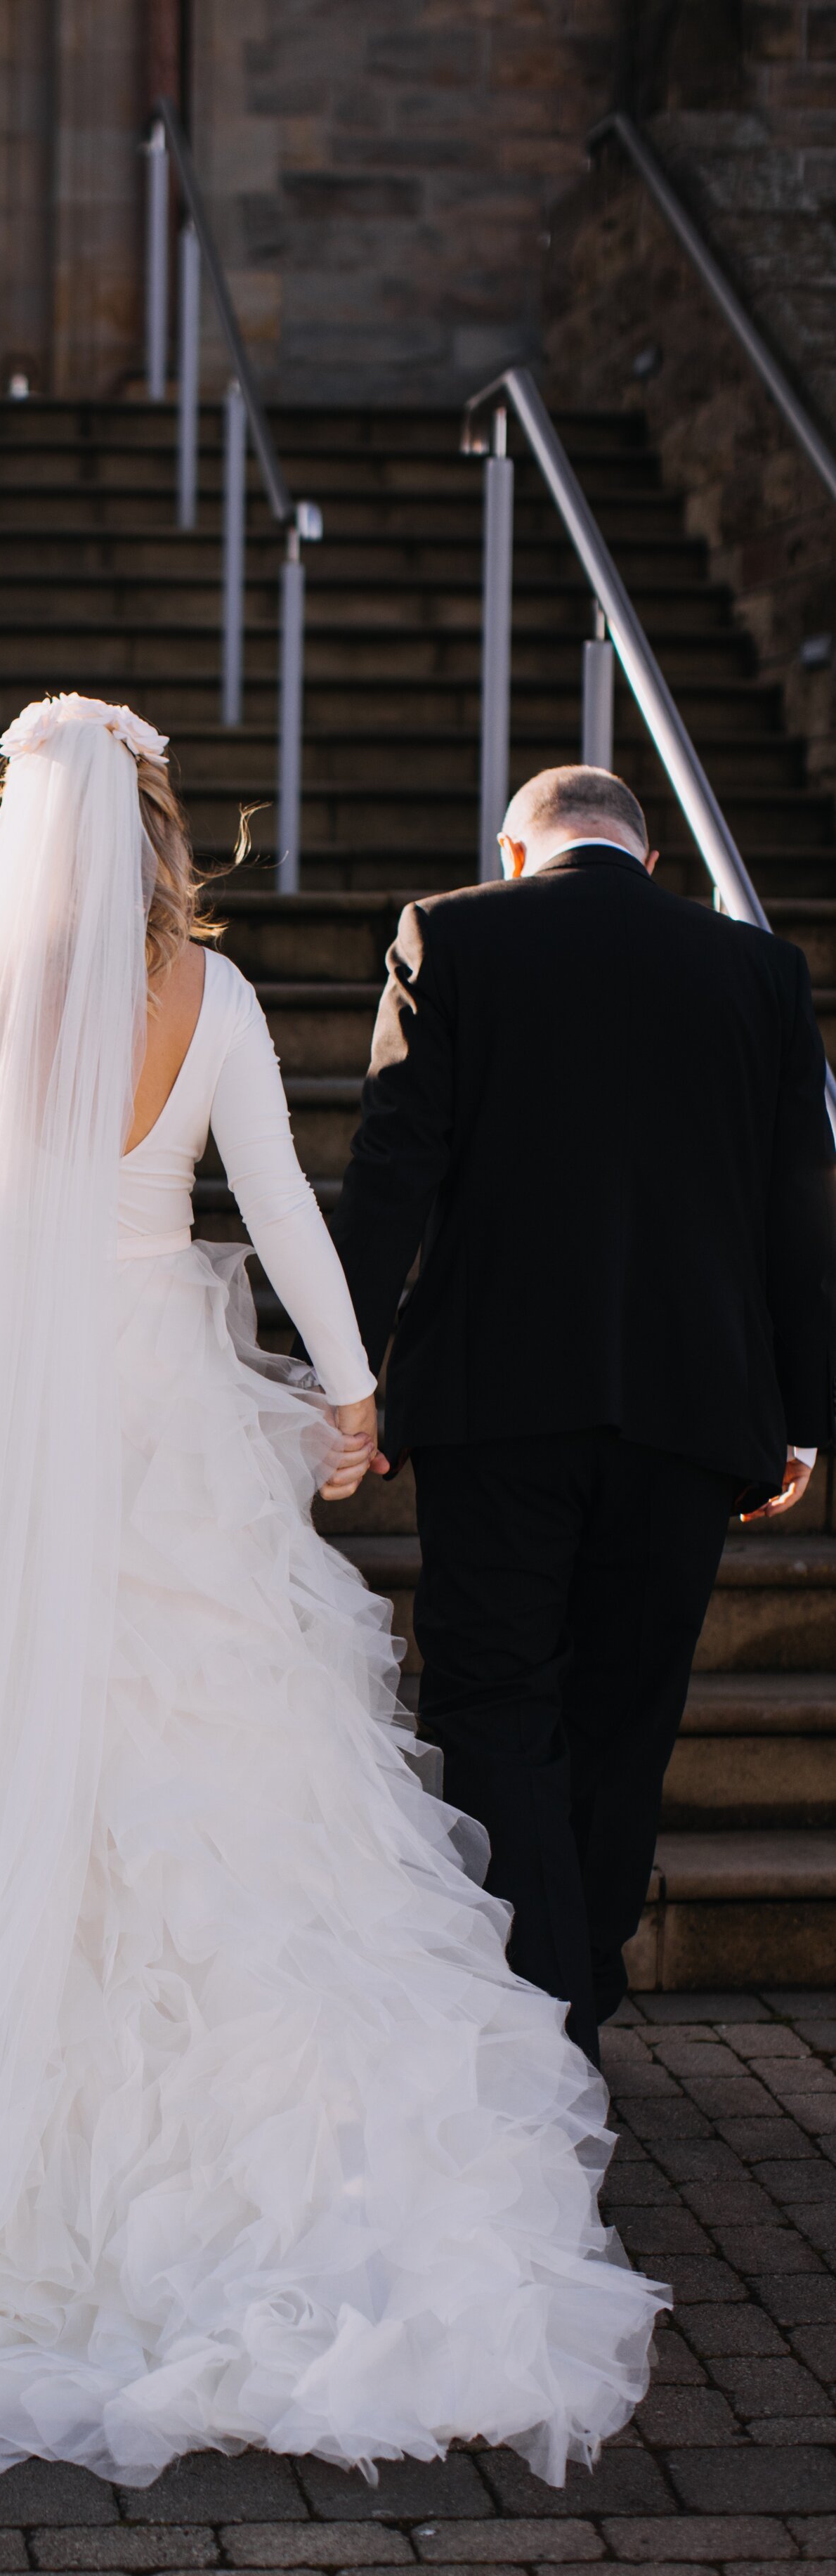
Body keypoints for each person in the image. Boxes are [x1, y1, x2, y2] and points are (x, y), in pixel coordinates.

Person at [0, 698, 665, 2576]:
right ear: (156, 830)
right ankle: (239, 2200)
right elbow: (276, 1199)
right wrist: (350, 1389)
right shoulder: (207, 988)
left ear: (10, 826)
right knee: (206, 1769)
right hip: (154, 1405)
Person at [330, 765, 836, 2066]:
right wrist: (802, 1413)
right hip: (691, 1408)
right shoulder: (761, 973)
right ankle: (577, 1997)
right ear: (647, 853)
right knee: (628, 1715)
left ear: (514, 848)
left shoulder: (451, 934)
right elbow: (801, 1207)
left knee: (495, 1698)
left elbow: (396, 1161)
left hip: (496, 1402)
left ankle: (534, 2016)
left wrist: (341, 1365)